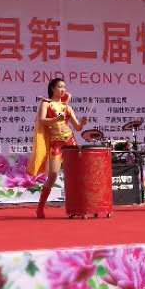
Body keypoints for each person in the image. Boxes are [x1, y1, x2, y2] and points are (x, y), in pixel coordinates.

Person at [28, 78, 86, 218]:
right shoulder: (46, 103)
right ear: (52, 88)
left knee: (76, 175)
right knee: (53, 174)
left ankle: (79, 207)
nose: (63, 89)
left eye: (64, 87)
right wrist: (55, 119)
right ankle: (40, 208)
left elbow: (77, 127)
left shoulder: (67, 107)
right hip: (56, 143)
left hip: (70, 141)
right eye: (60, 86)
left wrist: (83, 123)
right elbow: (42, 120)